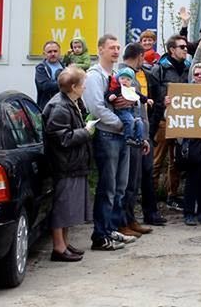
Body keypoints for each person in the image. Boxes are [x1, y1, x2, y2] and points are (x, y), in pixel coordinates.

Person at [83, 34, 137, 251]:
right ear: (100, 50)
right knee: (108, 187)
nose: (116, 51)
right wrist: (119, 123)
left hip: (121, 134)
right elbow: (96, 107)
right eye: (111, 47)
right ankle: (100, 235)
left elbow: (124, 99)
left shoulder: (116, 74)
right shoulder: (94, 76)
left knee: (120, 186)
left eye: (118, 47)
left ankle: (112, 228)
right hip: (107, 135)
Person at [42, 66, 94, 261]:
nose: (85, 88)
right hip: (64, 165)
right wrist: (86, 132)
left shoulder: (69, 102)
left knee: (68, 207)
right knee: (62, 207)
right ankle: (58, 247)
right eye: (83, 85)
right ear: (73, 86)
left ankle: (64, 243)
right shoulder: (60, 107)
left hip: (71, 164)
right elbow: (62, 138)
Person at [120, 42, 164, 228]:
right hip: (133, 135)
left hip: (144, 132)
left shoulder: (143, 74)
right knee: (131, 180)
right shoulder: (124, 76)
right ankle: (128, 220)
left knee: (145, 174)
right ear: (139, 56)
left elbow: (147, 103)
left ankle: (149, 214)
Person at [151, 35, 191, 211]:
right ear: (172, 50)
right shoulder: (159, 69)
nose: (185, 49)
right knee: (157, 160)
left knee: (175, 161)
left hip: (181, 120)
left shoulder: (188, 69)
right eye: (181, 47)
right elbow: (151, 96)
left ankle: (172, 196)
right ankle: (150, 198)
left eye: (185, 46)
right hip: (163, 120)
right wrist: (162, 101)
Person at [176, 63, 201, 226]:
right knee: (192, 178)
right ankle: (189, 212)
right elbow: (170, 115)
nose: (199, 77)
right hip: (191, 142)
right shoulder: (185, 93)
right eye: (196, 74)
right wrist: (169, 105)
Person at [35, 40, 64, 109]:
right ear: (44, 54)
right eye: (49, 52)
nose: (53, 54)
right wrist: (64, 83)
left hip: (63, 106)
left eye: (55, 51)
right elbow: (45, 86)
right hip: (47, 107)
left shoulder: (64, 66)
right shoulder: (41, 68)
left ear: (59, 52)